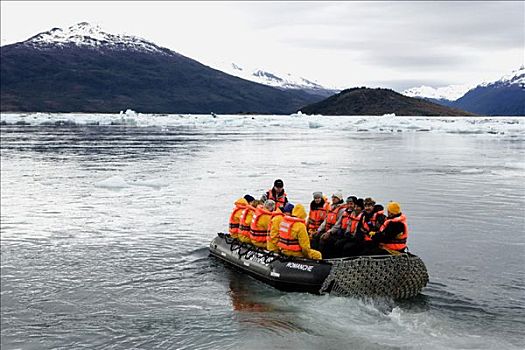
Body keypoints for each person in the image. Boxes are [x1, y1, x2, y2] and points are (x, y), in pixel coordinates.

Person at [312, 192, 345, 257]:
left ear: (339, 199)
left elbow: (338, 224)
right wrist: (318, 230)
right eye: (333, 197)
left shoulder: (342, 210)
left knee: (323, 239)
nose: (333, 199)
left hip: (335, 232)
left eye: (335, 198)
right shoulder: (332, 207)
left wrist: (329, 232)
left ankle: (323, 256)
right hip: (328, 230)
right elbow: (325, 221)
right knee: (316, 236)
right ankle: (314, 255)